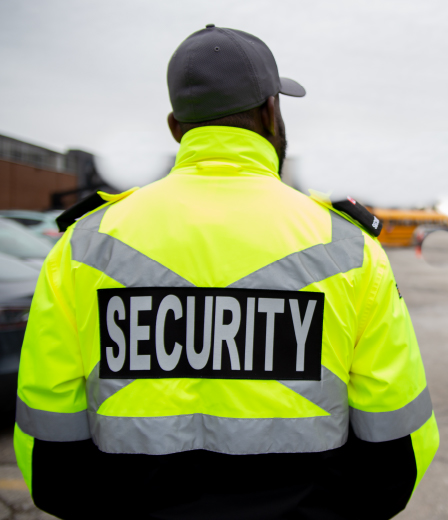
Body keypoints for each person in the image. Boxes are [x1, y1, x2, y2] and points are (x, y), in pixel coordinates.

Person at [15, 25, 438, 520]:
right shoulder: (349, 248)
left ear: (177, 126)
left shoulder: (82, 246)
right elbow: (393, 458)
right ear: (270, 111)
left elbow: (52, 460)